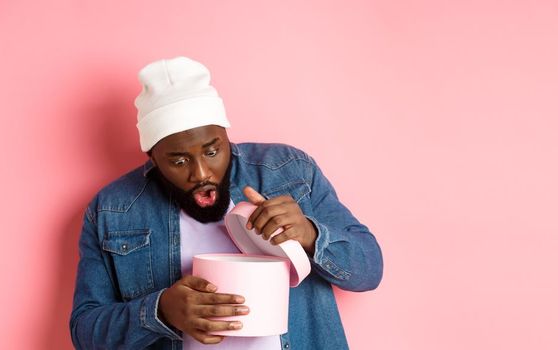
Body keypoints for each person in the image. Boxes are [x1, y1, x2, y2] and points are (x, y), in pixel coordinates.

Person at [69, 56, 383, 350]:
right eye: (179, 161)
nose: (201, 173)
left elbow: (369, 270)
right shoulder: (112, 210)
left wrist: (310, 235)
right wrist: (160, 311)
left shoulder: (290, 171)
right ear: (152, 158)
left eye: (212, 151)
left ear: (225, 136)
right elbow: (85, 331)